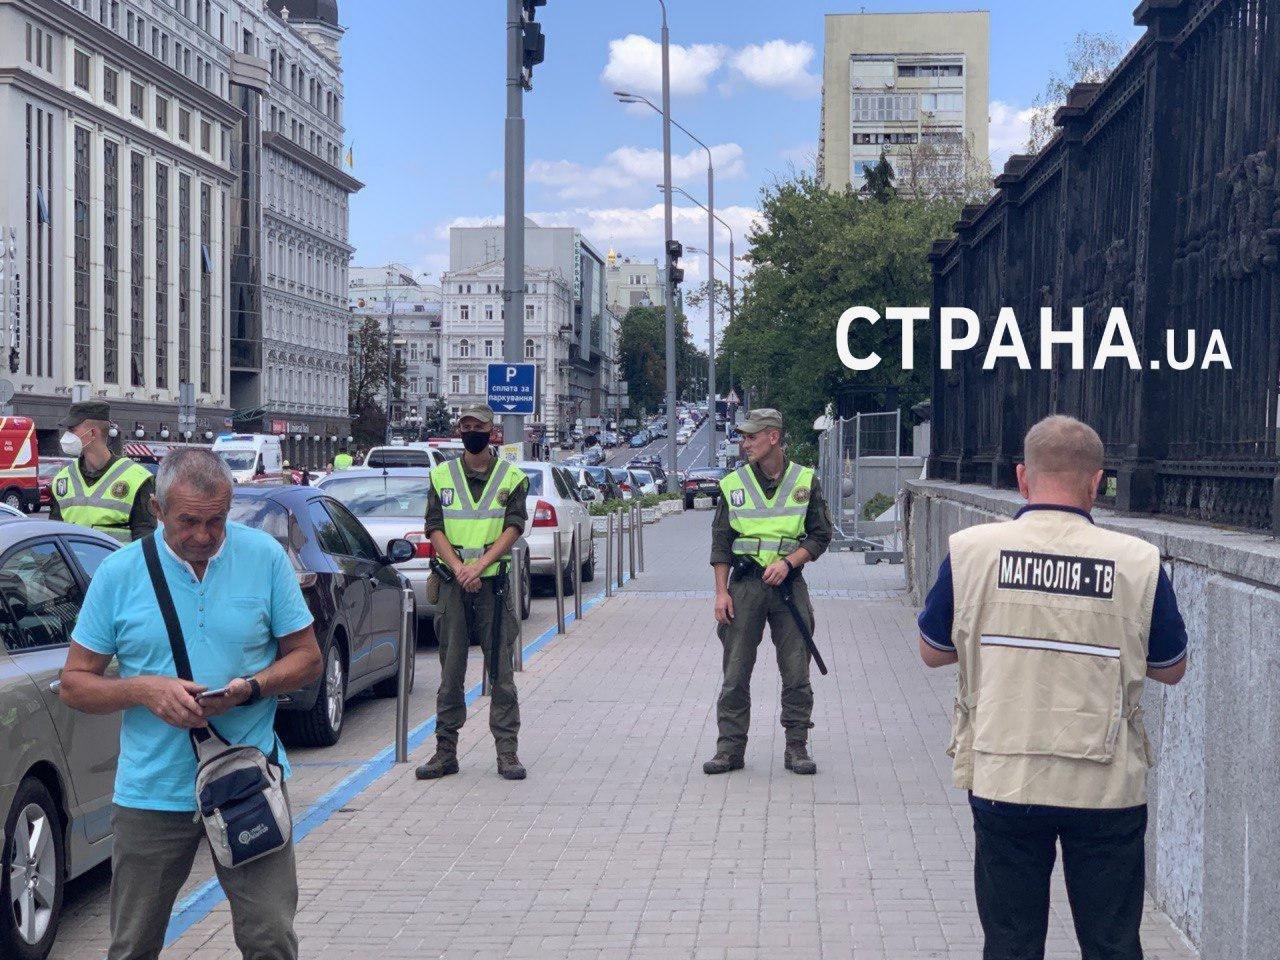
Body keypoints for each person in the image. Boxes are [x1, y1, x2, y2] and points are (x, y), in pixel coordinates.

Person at [917, 415, 1188, 960]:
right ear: (1098, 482)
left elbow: (932, 651)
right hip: (1105, 786)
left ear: (1022, 476)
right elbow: (1171, 666)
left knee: (1011, 942)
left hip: (1005, 775)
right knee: (1112, 944)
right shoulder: (1137, 561)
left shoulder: (971, 551)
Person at [58, 448, 322, 960]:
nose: (203, 535)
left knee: (270, 939)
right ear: (157, 510)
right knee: (133, 947)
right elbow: (74, 684)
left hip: (247, 780)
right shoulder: (118, 574)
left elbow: (307, 658)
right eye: (189, 522)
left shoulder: (264, 557)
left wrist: (251, 687)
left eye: (216, 520)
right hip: (152, 792)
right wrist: (144, 690)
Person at [704, 408, 833, 776]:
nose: (744, 443)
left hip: (788, 587)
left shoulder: (804, 480)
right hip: (744, 587)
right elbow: (721, 542)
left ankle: (797, 747)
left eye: (751, 436)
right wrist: (721, 593)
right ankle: (729, 749)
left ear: (773, 437)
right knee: (735, 672)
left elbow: (821, 534)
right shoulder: (734, 483)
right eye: (743, 437)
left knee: (796, 672)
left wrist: (790, 562)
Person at [416, 404, 530, 781]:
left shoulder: (511, 477)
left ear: (491, 431)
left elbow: (514, 527)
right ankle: (445, 752)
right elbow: (434, 528)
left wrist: (478, 568)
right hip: (453, 584)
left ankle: (507, 753)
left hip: (492, 586)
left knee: (501, 673)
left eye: (477, 426)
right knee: (450, 673)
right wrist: (460, 569)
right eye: (465, 426)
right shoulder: (441, 476)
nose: (470, 431)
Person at [49, 400, 157, 542]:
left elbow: (145, 541)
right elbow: (54, 535)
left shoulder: (136, 479)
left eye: (72, 429)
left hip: (118, 558)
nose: (66, 436)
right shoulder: (62, 480)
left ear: (93, 433)